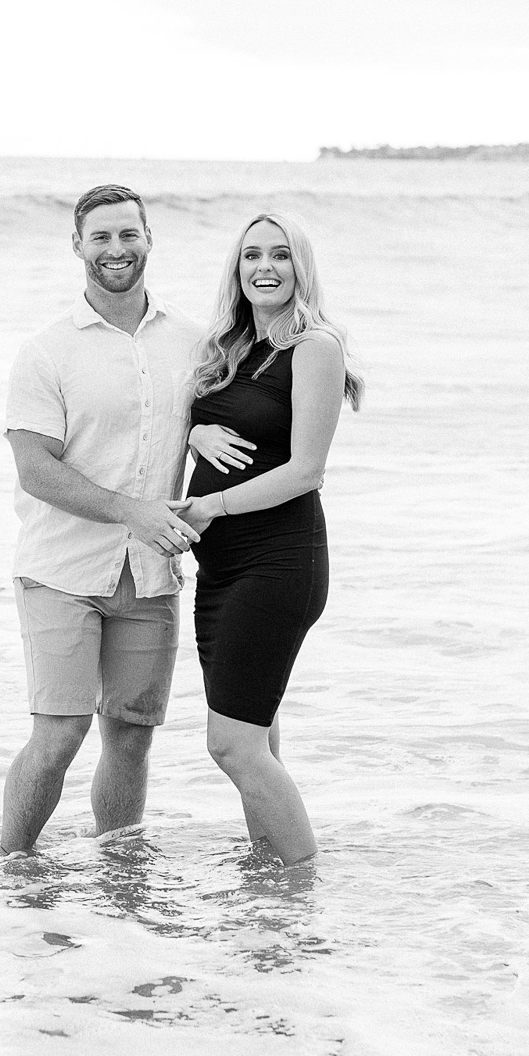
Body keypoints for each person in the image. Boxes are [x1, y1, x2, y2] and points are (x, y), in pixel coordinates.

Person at [0, 184, 202, 856]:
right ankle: (14, 866)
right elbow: (35, 468)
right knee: (59, 734)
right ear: (79, 246)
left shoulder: (194, 345)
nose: (116, 250)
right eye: (102, 237)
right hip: (62, 570)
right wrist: (128, 511)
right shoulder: (47, 350)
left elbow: (247, 411)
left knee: (132, 737)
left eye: (128, 235)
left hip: (151, 576)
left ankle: (119, 875)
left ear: (149, 239)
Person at [177, 212, 362, 866]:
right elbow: (200, 422)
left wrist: (211, 506)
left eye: (280, 255)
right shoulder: (226, 347)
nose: (265, 266)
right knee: (256, 736)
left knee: (231, 745)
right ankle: (270, 881)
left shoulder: (315, 347)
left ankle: (303, 884)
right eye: (251, 254)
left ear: (299, 267)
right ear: (236, 268)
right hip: (219, 570)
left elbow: (305, 469)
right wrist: (196, 434)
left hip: (279, 561)